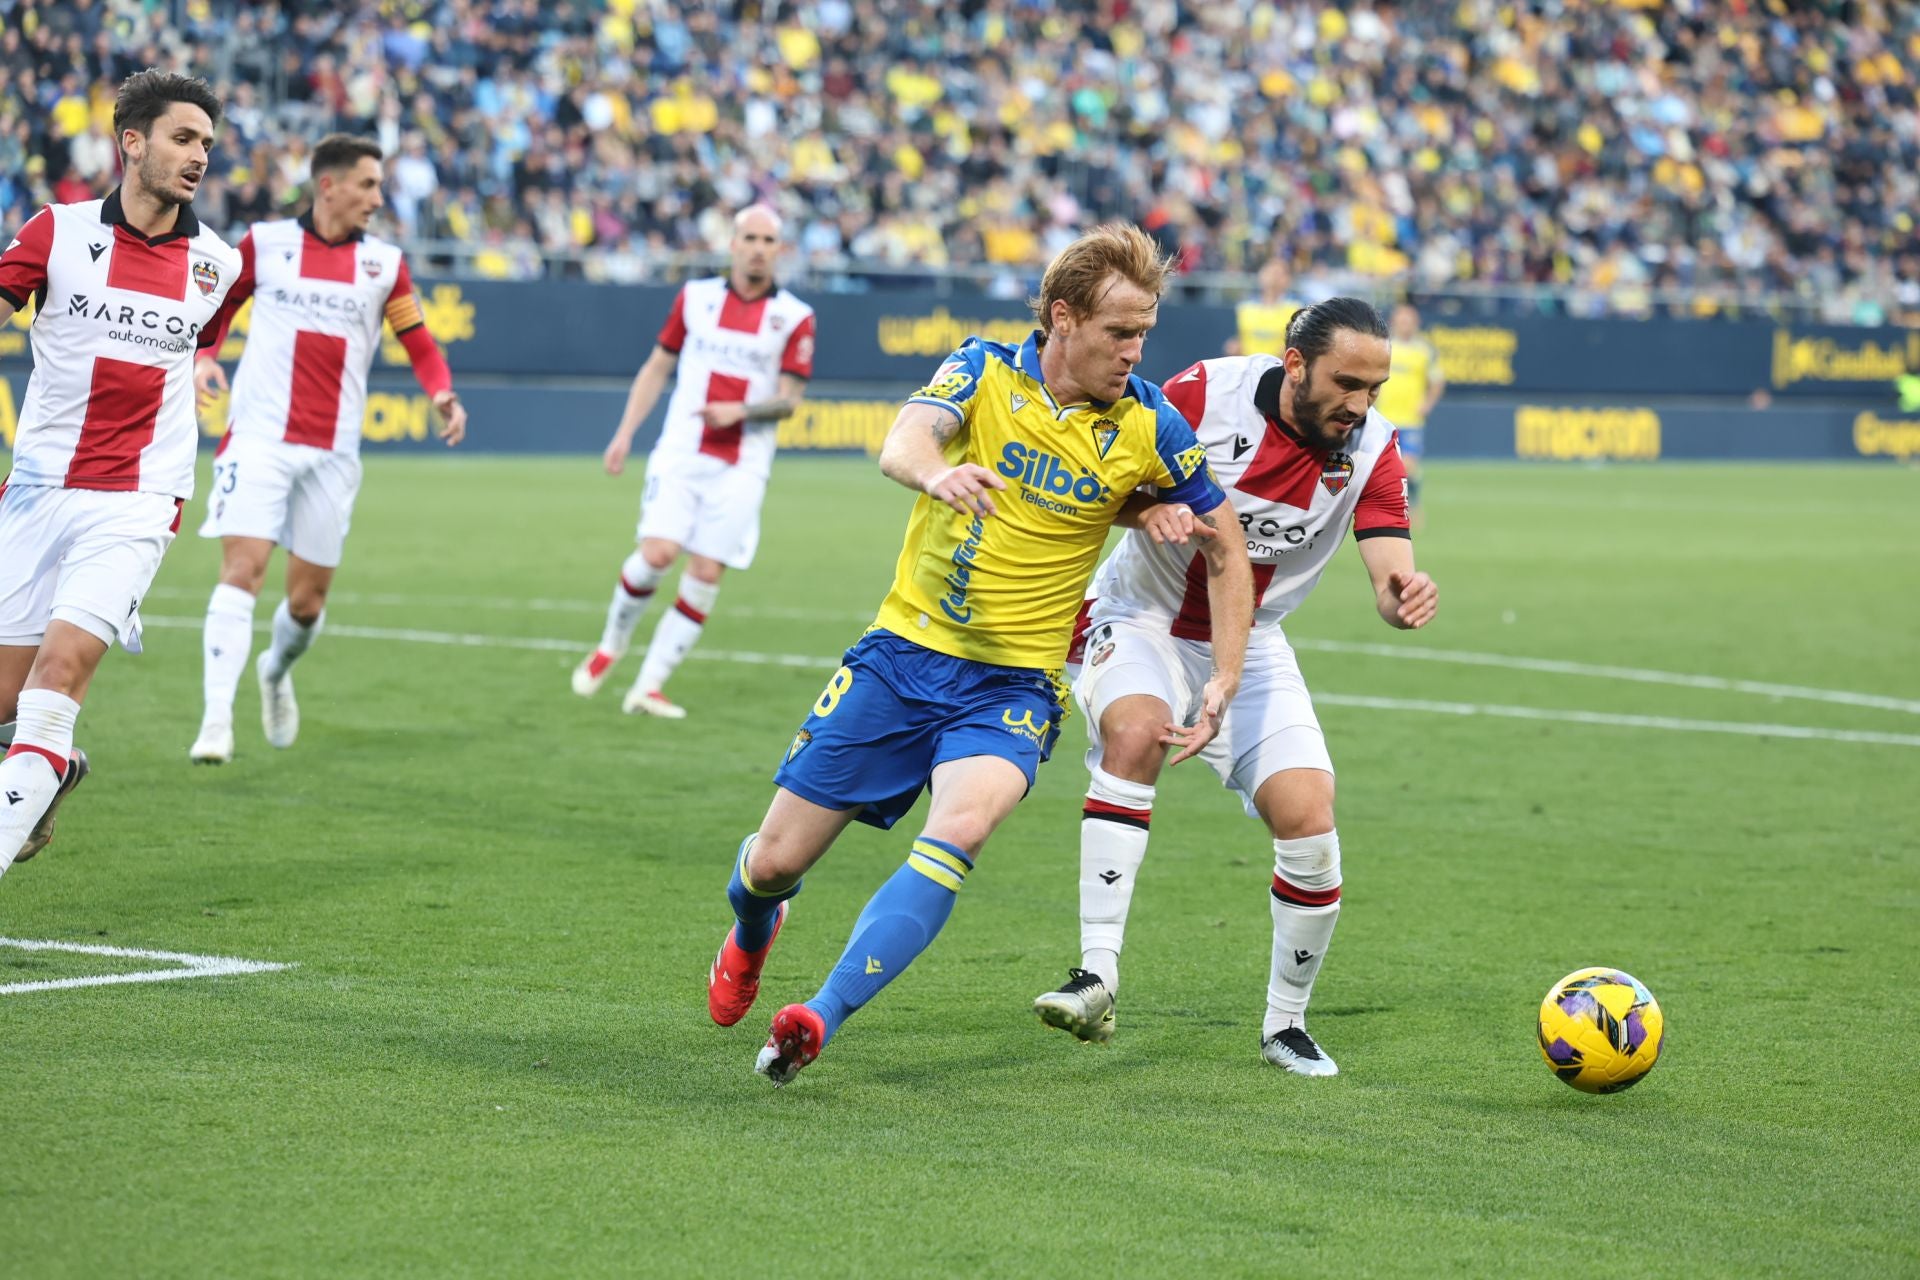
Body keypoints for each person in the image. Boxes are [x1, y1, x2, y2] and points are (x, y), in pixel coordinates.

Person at [705, 223, 1254, 1087]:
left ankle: (819, 1016)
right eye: (1120, 331)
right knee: (772, 865)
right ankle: (752, 926)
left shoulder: (1149, 421)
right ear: (1063, 319)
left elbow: (1227, 545)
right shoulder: (983, 370)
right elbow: (905, 442)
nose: (1135, 350)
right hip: (901, 656)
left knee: (960, 827)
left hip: (1015, 683)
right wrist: (937, 475)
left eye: (1145, 330)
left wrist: (1223, 674)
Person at [1032, 298, 1439, 1076]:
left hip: (1251, 645)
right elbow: (1100, 481)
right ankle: (1096, 975)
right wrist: (1148, 509)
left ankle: (1285, 1025)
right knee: (1135, 734)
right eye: (1346, 383)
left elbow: (1390, 563)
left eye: (1375, 388)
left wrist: (1401, 597)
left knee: (1309, 816)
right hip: (1142, 615)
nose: (1360, 404)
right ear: (1294, 365)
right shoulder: (1201, 394)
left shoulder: (1376, 449)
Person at [0, 70, 241, 878]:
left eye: (207, 142)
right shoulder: (57, 232)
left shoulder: (217, 263)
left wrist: (206, 370)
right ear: (131, 142)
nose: (199, 155)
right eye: (183, 138)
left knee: (61, 670)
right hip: (36, 490)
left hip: (138, 500)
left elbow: (206, 339)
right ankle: (51, 771)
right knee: (9, 700)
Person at [187, 133, 465, 765]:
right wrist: (203, 358)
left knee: (306, 605)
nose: (378, 197)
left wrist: (443, 393)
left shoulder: (386, 263)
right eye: (368, 184)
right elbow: (216, 313)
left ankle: (275, 671)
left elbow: (419, 343)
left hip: (333, 452)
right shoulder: (264, 243)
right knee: (243, 571)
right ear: (329, 185)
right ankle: (214, 723)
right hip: (256, 438)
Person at [572, 205, 815, 719]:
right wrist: (623, 434)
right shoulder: (695, 299)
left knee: (705, 570)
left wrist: (741, 411)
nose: (757, 247)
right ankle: (611, 645)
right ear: (731, 243)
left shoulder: (794, 317)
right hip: (682, 450)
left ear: (780, 250)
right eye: (748, 237)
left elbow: (790, 400)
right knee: (658, 553)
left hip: (743, 463)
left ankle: (649, 685)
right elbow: (657, 366)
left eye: (767, 240)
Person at [1374, 302, 1444, 523]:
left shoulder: (1424, 350)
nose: (1405, 325)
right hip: (1384, 417)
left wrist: (1427, 404)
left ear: (1416, 324)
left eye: (1409, 321)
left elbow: (1437, 381)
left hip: (1411, 419)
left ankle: (1412, 505)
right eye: (1402, 321)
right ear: (1394, 322)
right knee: (1382, 468)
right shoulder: (1383, 346)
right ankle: (1385, 507)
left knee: (1409, 466)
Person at [1231, 257, 1303, 358]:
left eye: (1279, 273)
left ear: (1288, 279)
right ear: (1261, 275)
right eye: (1270, 271)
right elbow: (1239, 340)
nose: (1273, 277)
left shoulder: (1295, 310)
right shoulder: (1245, 308)